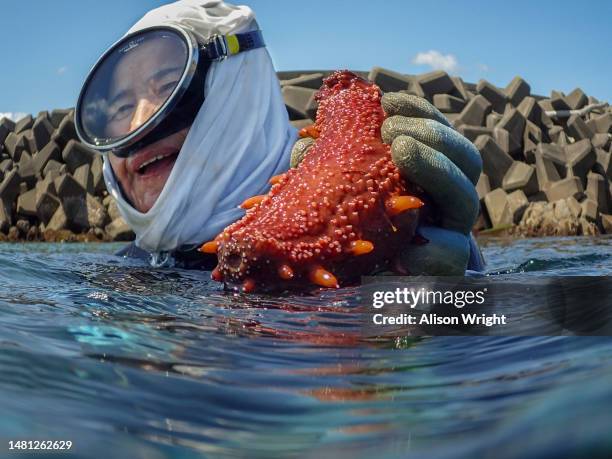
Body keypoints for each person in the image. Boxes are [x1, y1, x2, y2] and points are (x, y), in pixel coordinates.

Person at [75, 0, 484, 276]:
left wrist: (456, 302)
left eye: (168, 85)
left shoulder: (385, 233)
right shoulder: (119, 277)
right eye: (119, 110)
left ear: (236, 91)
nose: (140, 124)